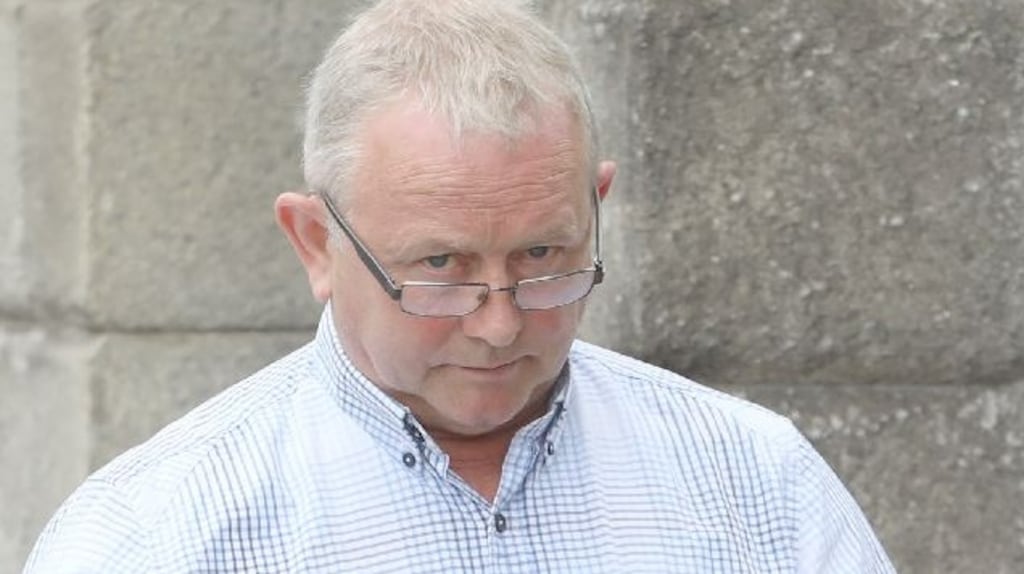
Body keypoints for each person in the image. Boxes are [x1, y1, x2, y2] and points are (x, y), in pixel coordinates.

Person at [25, 0, 895, 572]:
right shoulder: (153, 535)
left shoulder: (756, 482)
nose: (499, 323)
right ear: (316, 243)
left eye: (543, 255)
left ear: (597, 206)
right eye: (440, 267)